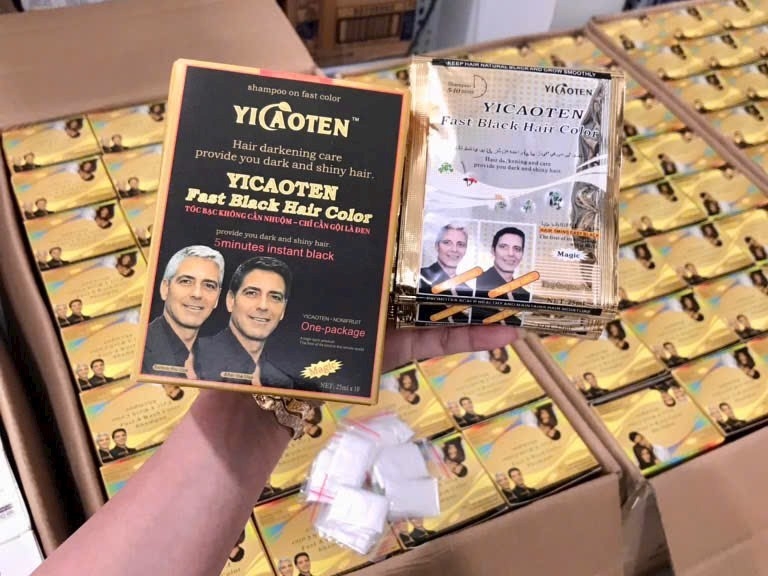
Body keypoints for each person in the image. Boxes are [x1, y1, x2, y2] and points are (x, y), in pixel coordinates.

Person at [196, 257, 298, 389]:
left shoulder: (281, 383)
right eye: (252, 293)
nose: (263, 306)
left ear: (283, 309)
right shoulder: (191, 356)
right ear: (231, 300)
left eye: (275, 297)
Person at [142, 245, 225, 378]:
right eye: (186, 281)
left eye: (209, 285)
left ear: (217, 298)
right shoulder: (140, 347)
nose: (197, 294)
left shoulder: (219, 359)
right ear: (165, 288)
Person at [418, 224, 472, 305]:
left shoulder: (468, 290)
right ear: (437, 246)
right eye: (447, 243)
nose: (454, 249)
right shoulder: (420, 277)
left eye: (460, 244)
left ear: (466, 249)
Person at [475, 227, 531, 301]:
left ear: (522, 253)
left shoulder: (525, 296)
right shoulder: (475, 283)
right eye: (504, 247)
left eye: (517, 248)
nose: (511, 254)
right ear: (493, 251)